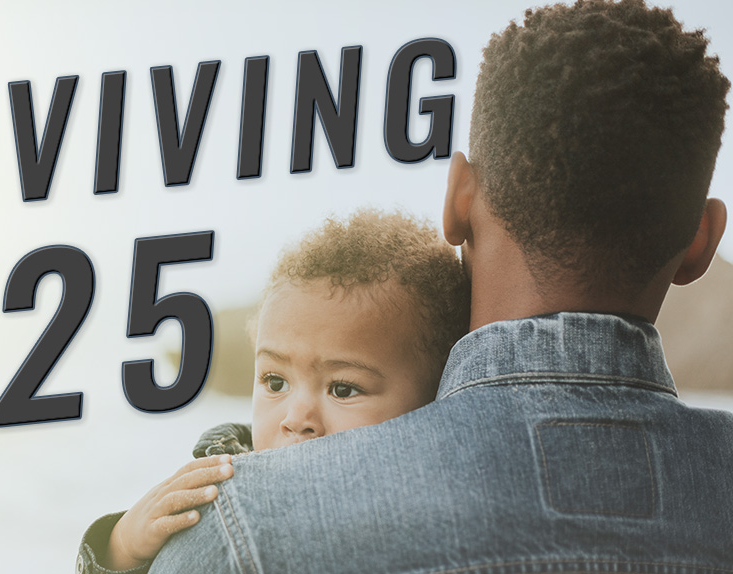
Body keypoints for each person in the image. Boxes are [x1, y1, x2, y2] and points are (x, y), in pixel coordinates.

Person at [144, 0, 733, 572]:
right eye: (275, 380)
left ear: (457, 200)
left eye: (344, 388)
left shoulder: (242, 527)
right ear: (702, 241)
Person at [75, 209, 470, 574]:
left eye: (343, 388)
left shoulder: (448, 516)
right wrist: (122, 546)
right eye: (275, 382)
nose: (295, 418)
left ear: (435, 397)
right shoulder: (218, 484)